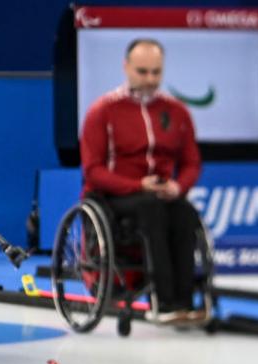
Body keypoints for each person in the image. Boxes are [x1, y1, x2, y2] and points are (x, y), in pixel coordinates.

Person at [79, 38, 202, 322]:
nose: (150, 79)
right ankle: (165, 301)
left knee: (185, 212)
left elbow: (191, 162)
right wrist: (137, 186)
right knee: (151, 209)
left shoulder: (177, 112)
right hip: (113, 196)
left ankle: (185, 302)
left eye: (156, 72)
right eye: (143, 71)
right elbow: (93, 170)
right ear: (127, 67)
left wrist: (179, 186)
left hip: (160, 194)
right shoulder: (103, 111)